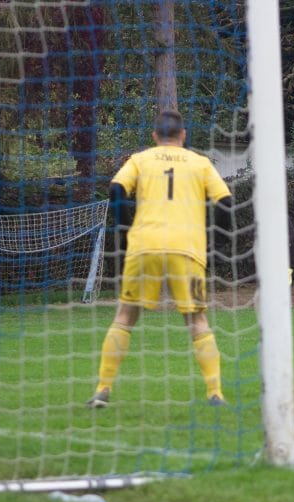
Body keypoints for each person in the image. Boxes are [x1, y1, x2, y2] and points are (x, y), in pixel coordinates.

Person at [87, 110, 233, 408]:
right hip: (187, 248)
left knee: (125, 315)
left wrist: (126, 232)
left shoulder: (141, 159)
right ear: (183, 135)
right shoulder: (199, 163)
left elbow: (116, 189)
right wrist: (218, 245)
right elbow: (226, 201)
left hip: (145, 246)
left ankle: (103, 390)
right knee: (196, 319)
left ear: (155, 137)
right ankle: (215, 394)